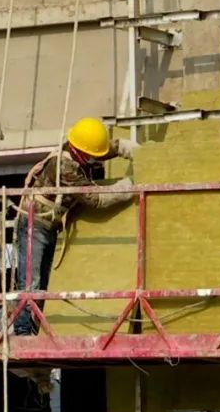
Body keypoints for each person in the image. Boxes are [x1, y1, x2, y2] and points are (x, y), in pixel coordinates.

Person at [12, 117, 138, 336]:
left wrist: (123, 148)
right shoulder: (66, 167)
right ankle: (23, 330)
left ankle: (34, 327)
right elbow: (95, 199)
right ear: (80, 150)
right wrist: (125, 189)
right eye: (91, 155)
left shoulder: (78, 150)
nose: (94, 160)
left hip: (48, 225)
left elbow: (99, 150)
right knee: (31, 281)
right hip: (34, 223)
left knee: (43, 283)